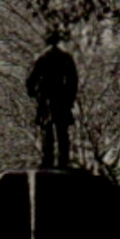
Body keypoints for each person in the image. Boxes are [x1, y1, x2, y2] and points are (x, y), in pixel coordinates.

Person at [26, 31, 78, 168]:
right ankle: (63, 161)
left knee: (47, 131)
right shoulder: (65, 57)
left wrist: (33, 93)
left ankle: (47, 160)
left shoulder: (42, 57)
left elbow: (31, 79)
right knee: (62, 131)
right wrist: (69, 97)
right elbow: (73, 80)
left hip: (47, 97)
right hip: (61, 97)